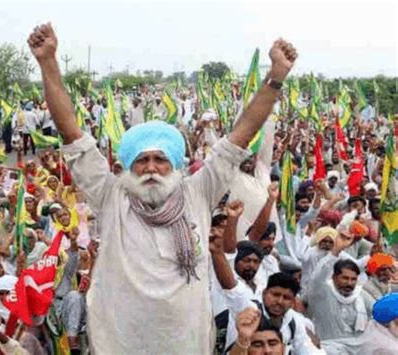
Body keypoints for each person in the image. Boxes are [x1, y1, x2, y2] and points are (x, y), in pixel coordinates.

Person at [28, 22, 297, 354]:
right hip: (119, 342)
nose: (151, 168)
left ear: (176, 166)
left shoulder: (199, 191)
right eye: (142, 161)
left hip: (184, 341)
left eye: (160, 160)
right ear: (127, 167)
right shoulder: (112, 195)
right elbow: (71, 133)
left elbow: (242, 134)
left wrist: (276, 77)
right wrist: (48, 62)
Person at [307, 232, 371, 354]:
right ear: (334, 277)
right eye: (345, 278)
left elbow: (377, 311)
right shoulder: (322, 291)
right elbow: (317, 277)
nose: (349, 283)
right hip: (328, 349)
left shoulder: (359, 294)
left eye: (353, 279)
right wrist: (335, 252)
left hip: (358, 350)